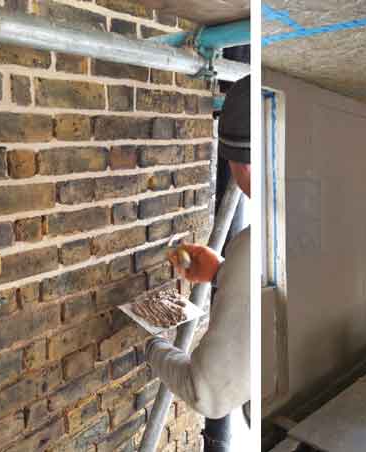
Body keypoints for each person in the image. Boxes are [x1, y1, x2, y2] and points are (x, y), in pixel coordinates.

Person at [146, 75, 251, 449]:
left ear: (241, 165)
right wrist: (222, 272)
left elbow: (209, 395)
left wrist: (153, 347)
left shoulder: (252, 248)